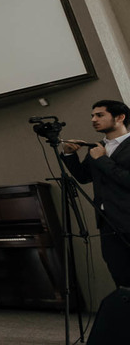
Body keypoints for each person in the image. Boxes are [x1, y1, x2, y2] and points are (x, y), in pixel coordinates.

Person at [62, 100, 130, 287]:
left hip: (128, 218)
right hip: (107, 223)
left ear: (120, 117)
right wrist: (69, 155)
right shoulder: (97, 146)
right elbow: (84, 177)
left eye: (100, 115)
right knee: (120, 274)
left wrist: (102, 160)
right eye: (92, 115)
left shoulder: (102, 152)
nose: (93, 119)